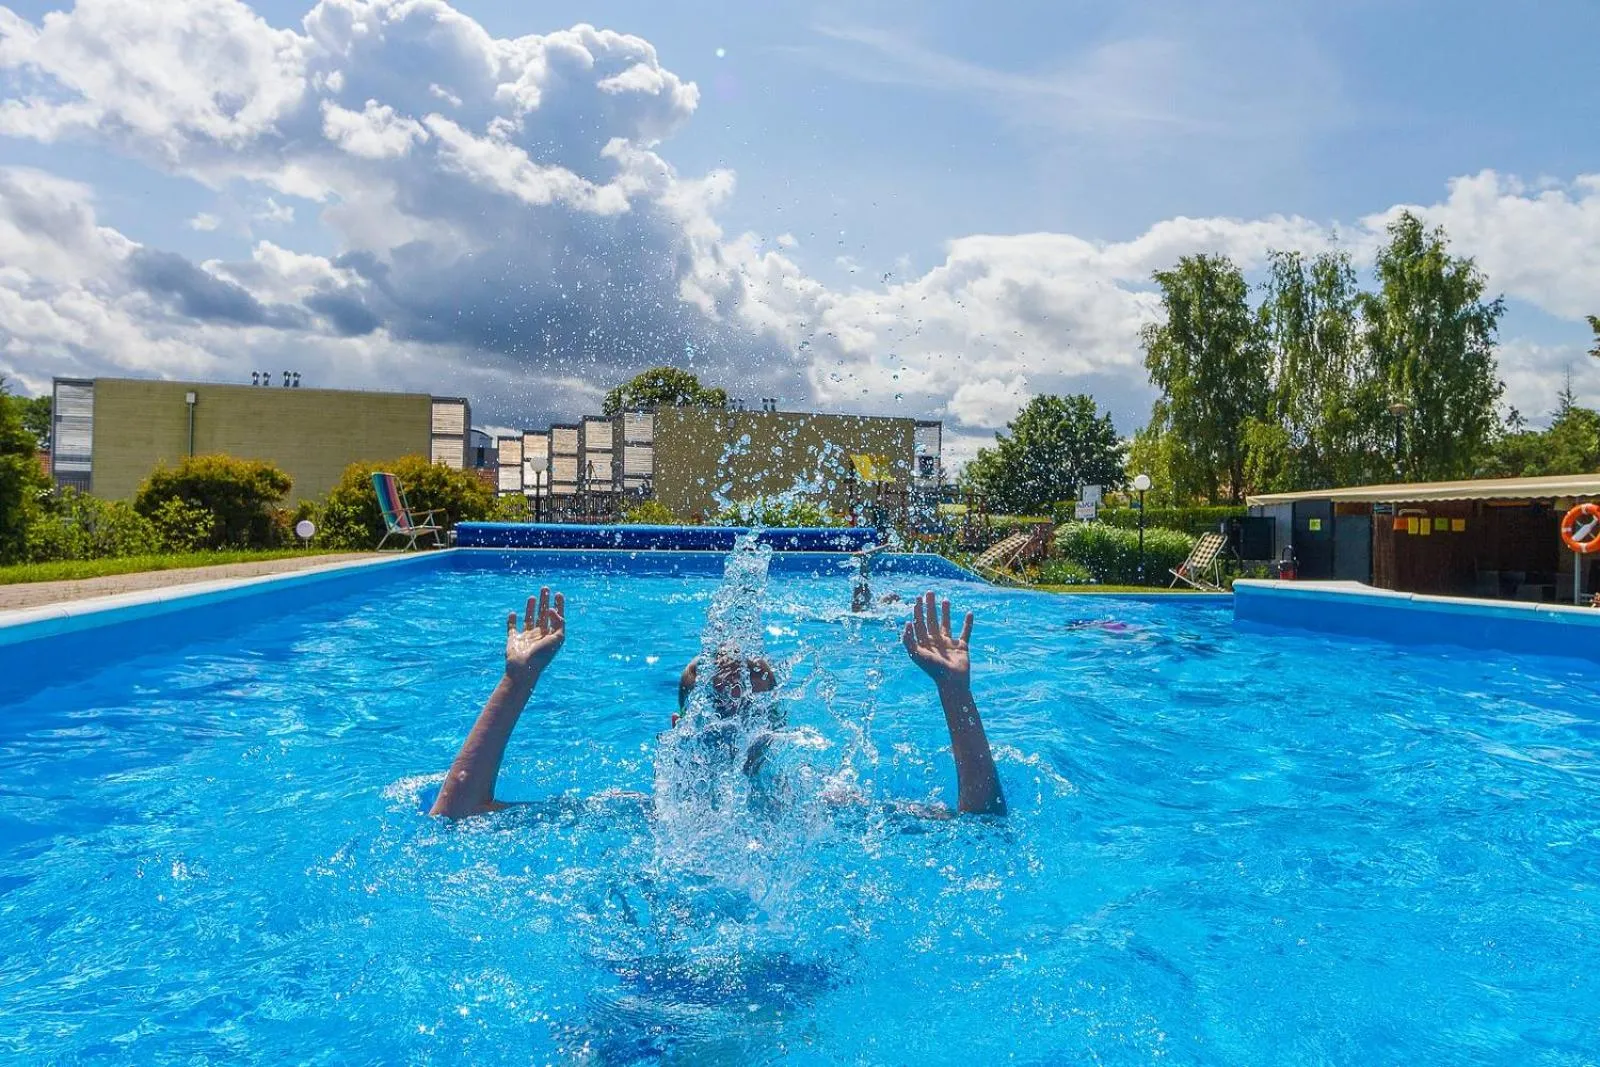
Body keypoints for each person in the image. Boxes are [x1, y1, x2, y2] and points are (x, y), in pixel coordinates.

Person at [429, 588, 1006, 819]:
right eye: (719, 711)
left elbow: (979, 825)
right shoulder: (645, 815)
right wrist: (516, 682)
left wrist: (955, 694)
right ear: (680, 728)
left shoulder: (821, 812)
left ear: (776, 729)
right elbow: (456, 816)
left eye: (748, 714)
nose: (733, 727)